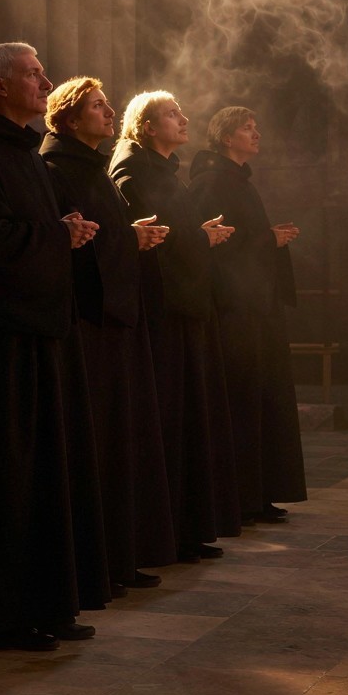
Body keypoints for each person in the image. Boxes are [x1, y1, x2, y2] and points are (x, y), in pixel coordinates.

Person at [0, 42, 100, 650]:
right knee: (6, 477)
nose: (45, 80)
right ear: (0, 87)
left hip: (37, 333)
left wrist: (68, 234)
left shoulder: (23, 152)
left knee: (43, 476)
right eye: (33, 74)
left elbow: (33, 230)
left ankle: (45, 603)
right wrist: (54, 236)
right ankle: (6, 613)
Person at [43, 78, 176, 588]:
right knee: (96, 446)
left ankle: (120, 556)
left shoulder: (94, 171)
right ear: (72, 120)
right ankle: (99, 563)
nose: (109, 111)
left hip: (117, 322)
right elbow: (77, 241)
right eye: (98, 106)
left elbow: (103, 233)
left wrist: (128, 234)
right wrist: (127, 236)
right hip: (88, 325)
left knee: (122, 444)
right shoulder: (58, 169)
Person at [112, 92, 236, 560]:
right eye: (171, 114)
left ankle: (184, 527)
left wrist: (200, 233)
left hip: (183, 307)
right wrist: (198, 236)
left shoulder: (164, 170)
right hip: (161, 311)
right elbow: (149, 236)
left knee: (186, 420)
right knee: (165, 421)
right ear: (145, 127)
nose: (184, 120)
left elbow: (172, 229)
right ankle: (163, 533)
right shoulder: (133, 170)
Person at [190, 106, 305, 526]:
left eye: (256, 127)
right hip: (235, 309)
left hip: (257, 306)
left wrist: (269, 239)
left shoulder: (238, 180)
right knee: (241, 400)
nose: (256, 134)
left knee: (262, 398)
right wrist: (266, 240)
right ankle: (240, 496)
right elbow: (211, 245)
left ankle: (260, 493)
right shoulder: (212, 181)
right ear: (225, 137)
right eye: (246, 128)